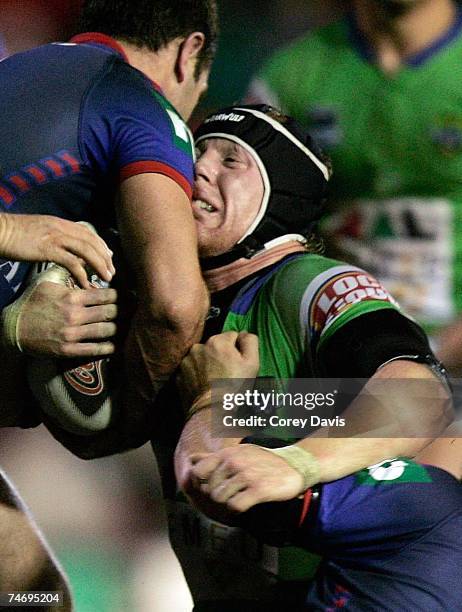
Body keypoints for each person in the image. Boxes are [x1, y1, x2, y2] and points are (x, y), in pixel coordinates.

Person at [153, 104, 451, 610]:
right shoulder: (168, 300)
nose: (198, 167)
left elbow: (420, 394)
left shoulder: (310, 282)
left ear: (280, 196)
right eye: (197, 152)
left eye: (231, 160)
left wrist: (295, 461)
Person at [0, 0, 218, 448]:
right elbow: (176, 306)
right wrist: (122, 426)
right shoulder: (140, 104)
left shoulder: (14, 70)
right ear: (188, 53)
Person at [245, 0, 462, 373]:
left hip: (454, 357)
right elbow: (244, 229)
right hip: (335, 352)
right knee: (234, 414)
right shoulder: (291, 76)